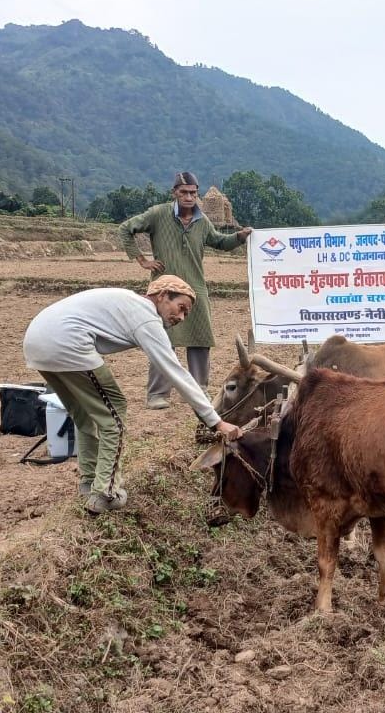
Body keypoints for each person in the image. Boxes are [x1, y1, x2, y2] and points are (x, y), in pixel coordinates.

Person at [23, 275, 244, 514]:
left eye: (186, 314)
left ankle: (88, 483)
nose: (181, 317)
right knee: (114, 412)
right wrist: (216, 422)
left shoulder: (129, 302)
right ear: (162, 296)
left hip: (36, 343)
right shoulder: (146, 316)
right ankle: (106, 493)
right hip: (69, 344)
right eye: (181, 307)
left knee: (85, 415)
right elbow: (175, 372)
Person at [117, 172, 253, 409]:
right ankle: (158, 394)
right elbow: (125, 229)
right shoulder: (158, 214)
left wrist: (239, 237)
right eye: (184, 192)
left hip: (195, 288)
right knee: (161, 340)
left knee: (200, 339)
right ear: (174, 193)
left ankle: (198, 390)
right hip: (164, 291)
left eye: (193, 192)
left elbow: (220, 242)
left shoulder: (202, 221)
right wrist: (142, 260)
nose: (189, 197)